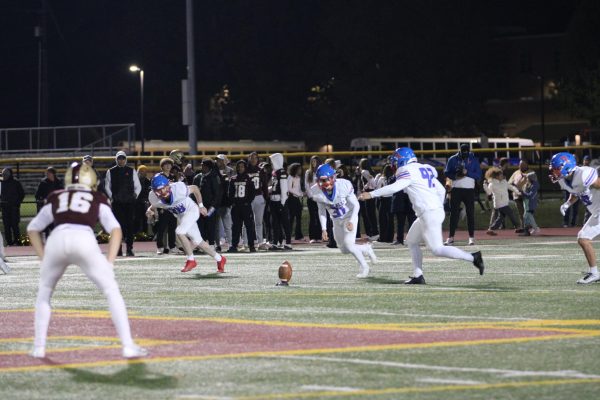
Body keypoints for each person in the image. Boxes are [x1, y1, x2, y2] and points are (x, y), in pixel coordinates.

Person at [26, 162, 147, 359]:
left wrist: (43, 258)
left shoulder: (56, 196)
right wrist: (109, 262)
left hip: (57, 238)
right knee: (111, 290)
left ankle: (39, 347)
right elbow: (116, 230)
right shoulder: (97, 197)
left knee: (45, 292)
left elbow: (33, 228)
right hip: (83, 239)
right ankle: (127, 345)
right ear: (91, 180)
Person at [359, 148, 484, 284]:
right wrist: (437, 207)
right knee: (412, 241)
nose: (393, 165)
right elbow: (441, 190)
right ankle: (418, 275)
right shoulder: (422, 168)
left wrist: (371, 194)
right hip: (429, 212)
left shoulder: (405, 170)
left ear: (402, 160)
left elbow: (396, 187)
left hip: (429, 213)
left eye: (395, 162)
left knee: (437, 249)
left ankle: (473, 258)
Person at [147, 174, 227, 273]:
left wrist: (201, 206)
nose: (163, 192)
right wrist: (149, 210)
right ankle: (220, 259)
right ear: (154, 191)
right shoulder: (153, 197)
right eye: (159, 190)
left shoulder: (178, 189)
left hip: (191, 210)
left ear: (169, 184)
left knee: (179, 231)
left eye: (164, 188)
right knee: (198, 242)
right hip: (181, 216)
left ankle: (191, 260)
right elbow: (155, 205)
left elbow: (195, 188)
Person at [312, 164, 377, 278]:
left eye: (324, 180)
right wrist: (323, 228)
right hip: (336, 220)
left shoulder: (343, 185)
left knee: (349, 244)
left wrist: (351, 221)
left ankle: (365, 267)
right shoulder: (317, 191)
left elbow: (356, 205)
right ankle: (366, 248)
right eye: (320, 180)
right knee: (343, 249)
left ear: (332, 178)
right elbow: (321, 211)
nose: (322, 183)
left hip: (349, 216)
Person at [550, 152, 600, 284]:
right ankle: (594, 272)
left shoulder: (584, 174)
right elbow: (576, 193)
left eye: (556, 168)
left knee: (583, 238)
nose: (554, 172)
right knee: (583, 238)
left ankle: (594, 273)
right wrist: (567, 204)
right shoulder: (564, 180)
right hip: (596, 212)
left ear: (566, 166)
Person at [443, 144, 482, 246]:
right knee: (453, 214)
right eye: (463, 151)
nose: (465, 153)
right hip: (456, 189)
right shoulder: (453, 159)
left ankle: (471, 237)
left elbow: (478, 175)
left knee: (470, 214)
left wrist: (466, 172)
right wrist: (455, 176)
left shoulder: (473, 159)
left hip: (469, 190)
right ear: (459, 150)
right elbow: (447, 173)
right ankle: (451, 237)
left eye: (466, 151)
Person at [104, 151, 141, 256]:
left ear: (126, 159)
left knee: (129, 226)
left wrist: (134, 196)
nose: (121, 160)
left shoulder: (131, 170)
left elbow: (138, 186)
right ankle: (118, 249)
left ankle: (129, 248)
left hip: (129, 203)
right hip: (117, 203)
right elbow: (107, 186)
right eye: (119, 158)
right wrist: (112, 197)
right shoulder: (110, 171)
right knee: (118, 226)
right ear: (116, 159)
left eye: (123, 158)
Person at [227, 160, 256, 252]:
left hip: (246, 206)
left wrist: (247, 202)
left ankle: (251, 245)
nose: (240, 168)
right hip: (236, 207)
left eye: (242, 166)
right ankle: (234, 245)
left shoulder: (249, 178)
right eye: (239, 166)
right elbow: (230, 193)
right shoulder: (233, 178)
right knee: (236, 227)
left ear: (245, 167)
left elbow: (252, 193)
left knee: (249, 226)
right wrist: (233, 202)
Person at [193, 159, 222, 248]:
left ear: (209, 167)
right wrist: (196, 205)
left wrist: (212, 207)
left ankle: (211, 244)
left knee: (211, 225)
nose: (202, 167)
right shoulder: (197, 177)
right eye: (202, 165)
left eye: (205, 166)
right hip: (200, 206)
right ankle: (201, 244)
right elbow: (193, 192)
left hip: (211, 206)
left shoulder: (214, 177)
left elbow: (218, 194)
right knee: (200, 225)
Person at [483, 167, 521, 235]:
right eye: (501, 175)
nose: (502, 176)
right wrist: (485, 186)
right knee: (510, 213)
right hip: (499, 204)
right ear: (496, 176)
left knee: (501, 217)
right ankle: (517, 227)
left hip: (504, 203)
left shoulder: (504, 182)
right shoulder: (492, 184)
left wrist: (517, 192)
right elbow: (489, 193)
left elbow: (511, 187)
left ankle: (491, 229)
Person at [268, 153, 292, 250]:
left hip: (280, 201)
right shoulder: (275, 172)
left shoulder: (281, 172)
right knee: (275, 223)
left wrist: (283, 202)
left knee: (284, 222)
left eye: (273, 161)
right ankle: (275, 242)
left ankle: (288, 242)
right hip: (273, 200)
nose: (271, 163)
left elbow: (284, 188)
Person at [154, 158, 177, 254]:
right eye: (166, 164)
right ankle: (159, 247)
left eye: (169, 164)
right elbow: (155, 191)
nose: (168, 166)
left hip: (172, 205)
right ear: (162, 166)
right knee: (162, 228)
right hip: (163, 205)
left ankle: (172, 246)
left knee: (172, 227)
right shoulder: (158, 177)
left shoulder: (173, 176)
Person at [34, 167, 64, 238]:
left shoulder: (59, 182)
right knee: (47, 224)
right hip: (46, 206)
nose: (47, 174)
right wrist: (43, 199)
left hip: (56, 206)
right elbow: (37, 195)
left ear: (53, 173)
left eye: (49, 173)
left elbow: (63, 192)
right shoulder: (43, 182)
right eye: (46, 173)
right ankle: (47, 238)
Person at [247, 152, 269, 248]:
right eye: (251, 158)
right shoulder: (245, 169)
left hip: (259, 196)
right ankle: (246, 242)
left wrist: (266, 197)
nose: (253, 160)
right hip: (247, 198)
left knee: (259, 221)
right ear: (249, 159)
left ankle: (260, 242)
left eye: (255, 158)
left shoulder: (261, 171)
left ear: (258, 159)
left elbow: (264, 185)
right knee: (246, 221)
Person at [0, 168, 25, 246]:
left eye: (5, 174)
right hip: (5, 208)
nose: (3, 176)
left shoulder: (16, 182)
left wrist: (17, 202)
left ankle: (18, 242)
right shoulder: (1, 183)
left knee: (15, 226)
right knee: (6, 226)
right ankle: (9, 242)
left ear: (9, 174)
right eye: (3, 174)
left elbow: (22, 194)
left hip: (14, 208)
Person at [507, 159, 530, 232]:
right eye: (520, 165)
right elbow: (509, 183)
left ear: (527, 165)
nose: (521, 166)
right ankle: (523, 227)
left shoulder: (530, 173)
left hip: (526, 195)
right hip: (517, 195)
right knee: (520, 213)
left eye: (523, 164)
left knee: (527, 212)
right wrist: (514, 188)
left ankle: (528, 227)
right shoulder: (516, 173)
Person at [305, 156, 322, 243]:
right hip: (311, 198)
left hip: (320, 198)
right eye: (312, 161)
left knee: (320, 217)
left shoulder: (322, 172)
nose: (313, 163)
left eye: (315, 161)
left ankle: (319, 236)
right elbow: (307, 186)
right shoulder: (308, 172)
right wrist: (311, 196)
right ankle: (312, 237)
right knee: (312, 217)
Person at [287, 163, 304, 240]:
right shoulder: (290, 177)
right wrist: (299, 194)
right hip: (291, 199)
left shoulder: (298, 177)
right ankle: (288, 235)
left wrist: (302, 193)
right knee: (291, 218)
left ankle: (298, 235)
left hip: (297, 199)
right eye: (299, 169)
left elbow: (299, 189)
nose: (300, 170)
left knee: (299, 218)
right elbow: (289, 189)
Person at [520, 171, 540, 236]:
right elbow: (530, 175)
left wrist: (522, 193)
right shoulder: (533, 183)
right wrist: (524, 175)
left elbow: (530, 195)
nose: (527, 179)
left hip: (531, 203)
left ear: (531, 179)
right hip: (530, 203)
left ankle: (535, 228)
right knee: (528, 216)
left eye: (528, 178)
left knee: (527, 215)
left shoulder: (534, 185)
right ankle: (528, 230)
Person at [134, 165, 151, 235]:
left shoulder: (148, 181)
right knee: (136, 218)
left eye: (144, 172)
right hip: (135, 202)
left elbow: (149, 192)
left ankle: (145, 233)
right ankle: (135, 233)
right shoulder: (134, 181)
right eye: (141, 171)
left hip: (145, 202)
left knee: (145, 219)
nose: (143, 173)